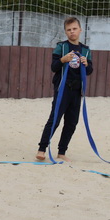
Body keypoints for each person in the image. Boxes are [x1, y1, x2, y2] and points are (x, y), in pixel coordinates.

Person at [35, 17, 93, 162]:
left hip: (77, 90)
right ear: (65, 32)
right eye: (69, 30)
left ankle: (62, 152)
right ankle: (42, 149)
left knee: (72, 122)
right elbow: (53, 67)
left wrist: (86, 64)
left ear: (80, 30)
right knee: (54, 119)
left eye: (74, 29)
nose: (72, 32)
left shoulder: (86, 50)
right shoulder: (61, 47)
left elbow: (90, 70)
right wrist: (63, 60)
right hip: (62, 89)